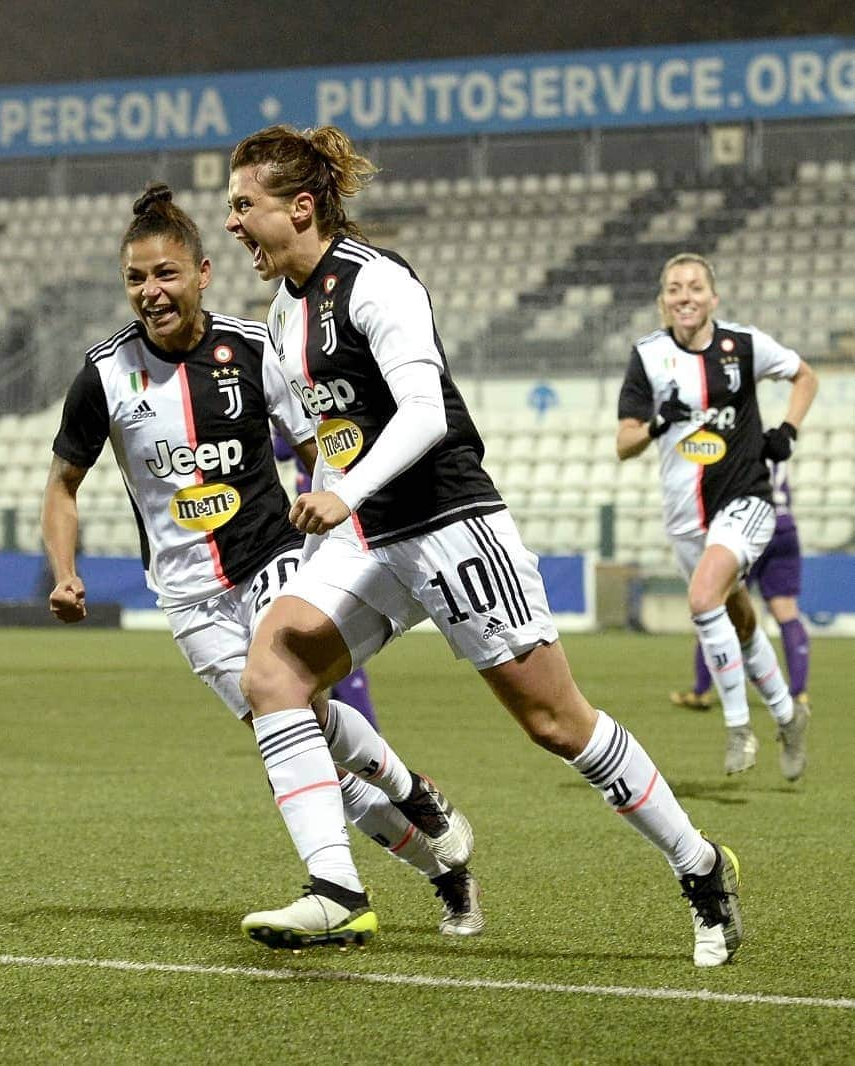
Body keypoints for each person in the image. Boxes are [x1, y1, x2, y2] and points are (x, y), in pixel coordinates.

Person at [225, 124, 742, 967]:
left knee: (554, 721)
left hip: (448, 524)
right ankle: (336, 888)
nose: (235, 224)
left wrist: (340, 491)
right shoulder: (285, 310)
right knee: (272, 668)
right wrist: (324, 484)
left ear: (302, 206)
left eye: (245, 206)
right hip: (372, 534)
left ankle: (700, 865)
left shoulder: (377, 282)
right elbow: (338, 426)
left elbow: (424, 415)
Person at [41, 183, 483, 943]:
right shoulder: (104, 375)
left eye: (166, 274)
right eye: (136, 279)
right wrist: (63, 570)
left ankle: (335, 889)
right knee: (304, 740)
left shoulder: (254, 349)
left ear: (203, 271)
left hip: (272, 561)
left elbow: (319, 446)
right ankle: (434, 847)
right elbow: (62, 484)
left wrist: (334, 516)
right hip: (186, 597)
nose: (151, 292)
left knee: (286, 704)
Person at [617, 252, 817, 781]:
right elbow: (625, 442)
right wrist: (660, 421)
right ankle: (787, 715)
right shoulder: (648, 357)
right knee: (741, 620)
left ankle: (738, 727)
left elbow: (804, 376)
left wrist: (788, 431)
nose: (685, 296)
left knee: (704, 599)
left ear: (713, 297)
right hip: (686, 517)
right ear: (664, 302)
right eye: (675, 288)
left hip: (746, 500)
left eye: (695, 287)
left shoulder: (744, 345)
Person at [670, 458, 811, 714]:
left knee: (713, 601)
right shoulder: (773, 445)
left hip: (750, 525)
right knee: (787, 611)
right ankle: (799, 693)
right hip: (784, 527)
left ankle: (701, 690)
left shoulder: (739, 445)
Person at [273, 429, 379, 729]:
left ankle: (360, 730)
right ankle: (352, 729)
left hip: (321, 520)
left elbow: (281, 451)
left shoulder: (303, 415)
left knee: (325, 633)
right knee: (329, 634)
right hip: (328, 518)